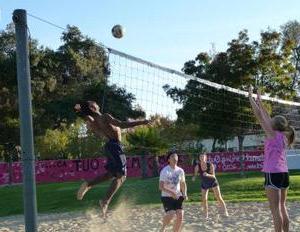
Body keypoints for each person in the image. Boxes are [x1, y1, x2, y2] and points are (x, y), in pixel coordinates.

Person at [75, 101, 151, 217]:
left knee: (111, 174)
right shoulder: (104, 117)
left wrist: (79, 110)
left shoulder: (93, 121)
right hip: (115, 147)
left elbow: (85, 116)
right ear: (92, 107)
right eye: (95, 104)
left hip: (109, 147)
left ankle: (88, 184)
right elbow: (122, 124)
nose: (98, 104)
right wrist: (142, 122)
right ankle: (105, 201)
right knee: (122, 176)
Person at [249, 87, 295, 232]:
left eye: (272, 120)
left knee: (275, 210)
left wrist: (250, 97)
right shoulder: (284, 136)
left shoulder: (272, 134)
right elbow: (266, 116)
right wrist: (259, 99)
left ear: (274, 125)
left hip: (273, 173)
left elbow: (260, 116)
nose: (270, 119)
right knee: (282, 206)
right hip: (284, 174)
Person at [192, 152, 228, 219]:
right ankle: (206, 215)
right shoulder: (197, 166)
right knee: (204, 199)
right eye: (201, 157)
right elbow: (195, 174)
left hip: (213, 182)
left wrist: (208, 175)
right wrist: (194, 177)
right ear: (199, 158)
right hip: (204, 183)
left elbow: (214, 176)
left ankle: (225, 211)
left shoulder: (210, 165)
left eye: (203, 157)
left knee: (218, 197)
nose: (202, 158)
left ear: (206, 158)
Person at [159, 151, 188, 232]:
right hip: (166, 196)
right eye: (172, 156)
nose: (175, 157)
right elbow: (160, 187)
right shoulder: (165, 171)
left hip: (178, 196)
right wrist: (172, 193)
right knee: (171, 214)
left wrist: (185, 193)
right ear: (169, 159)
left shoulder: (180, 171)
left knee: (180, 215)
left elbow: (183, 183)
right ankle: (163, 228)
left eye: (176, 156)